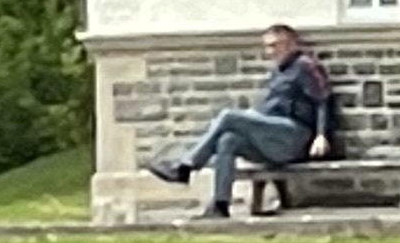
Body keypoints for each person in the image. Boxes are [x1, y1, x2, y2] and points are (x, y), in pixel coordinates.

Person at [145, 24, 341, 218]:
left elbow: (323, 99)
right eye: (267, 46)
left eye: (275, 45)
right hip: (272, 137)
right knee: (228, 140)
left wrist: (321, 135)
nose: (270, 52)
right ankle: (220, 205)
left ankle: (185, 167)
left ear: (290, 44)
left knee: (229, 116)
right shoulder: (277, 72)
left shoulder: (305, 66)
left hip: (295, 136)